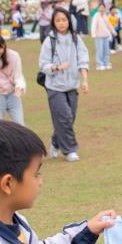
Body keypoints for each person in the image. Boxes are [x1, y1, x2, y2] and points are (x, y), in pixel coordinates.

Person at [37, 9, 88, 162]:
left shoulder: (76, 38)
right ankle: (70, 150)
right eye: (58, 20)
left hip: (72, 85)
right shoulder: (49, 41)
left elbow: (83, 59)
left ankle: (55, 142)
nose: (61, 23)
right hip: (54, 87)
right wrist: (57, 67)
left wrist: (85, 80)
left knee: (69, 118)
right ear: (53, 22)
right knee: (65, 117)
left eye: (64, 20)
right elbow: (43, 64)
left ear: (69, 21)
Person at [90, 4, 113, 71]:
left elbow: (109, 24)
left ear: (105, 8)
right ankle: (99, 64)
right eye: (100, 8)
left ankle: (106, 63)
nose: (102, 9)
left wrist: (113, 31)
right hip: (99, 36)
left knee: (106, 51)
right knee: (100, 50)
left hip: (106, 36)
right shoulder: (96, 16)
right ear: (98, 9)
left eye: (103, 8)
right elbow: (93, 25)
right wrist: (93, 33)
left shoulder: (105, 15)